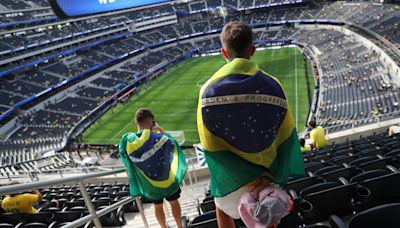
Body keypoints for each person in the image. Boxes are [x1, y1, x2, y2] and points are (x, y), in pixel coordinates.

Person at [197, 21, 304, 227]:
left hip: (231, 179)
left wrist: (237, 173)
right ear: (252, 50)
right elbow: (287, 135)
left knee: (221, 206)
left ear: (223, 52)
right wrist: (269, 176)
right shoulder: (274, 85)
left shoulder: (208, 90)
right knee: (266, 215)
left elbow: (209, 144)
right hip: (267, 175)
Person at [119, 108, 187, 228]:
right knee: (174, 202)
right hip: (168, 179)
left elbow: (124, 156)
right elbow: (173, 143)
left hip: (149, 184)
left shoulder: (129, 143)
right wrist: (161, 130)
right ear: (151, 122)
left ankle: (163, 227)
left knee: (158, 205)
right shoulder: (159, 137)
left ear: (137, 122)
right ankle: (179, 226)